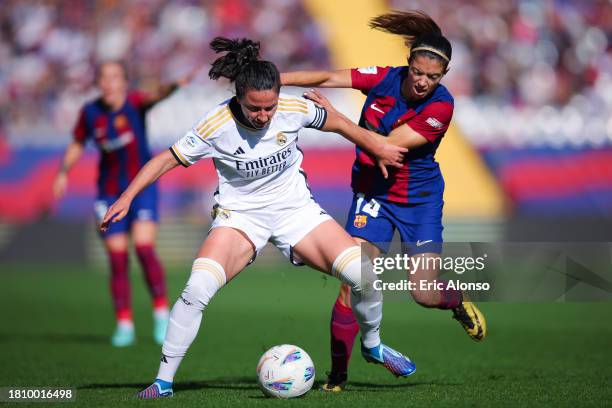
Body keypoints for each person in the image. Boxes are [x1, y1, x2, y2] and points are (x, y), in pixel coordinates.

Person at [100, 37, 414, 399]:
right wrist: (126, 197)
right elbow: (166, 159)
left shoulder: (293, 108)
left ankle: (373, 346)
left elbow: (337, 123)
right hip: (240, 218)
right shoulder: (215, 123)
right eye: (255, 109)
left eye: (270, 107)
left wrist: (375, 145)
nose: (264, 116)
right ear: (239, 97)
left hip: (296, 212)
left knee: (363, 273)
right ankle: (163, 382)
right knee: (196, 289)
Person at [281, 10, 487, 391]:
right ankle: (337, 376)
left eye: (433, 76)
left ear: (443, 76)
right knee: (352, 277)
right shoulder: (384, 77)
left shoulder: (441, 106)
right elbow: (329, 76)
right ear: (408, 64)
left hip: (418, 201)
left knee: (423, 293)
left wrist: (336, 118)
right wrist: (275, 81)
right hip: (374, 193)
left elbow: (387, 145)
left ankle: (456, 302)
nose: (423, 82)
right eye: (418, 72)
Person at [53, 61, 192, 347]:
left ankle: (160, 314)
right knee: (117, 259)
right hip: (108, 193)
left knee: (143, 247)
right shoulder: (90, 113)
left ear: (123, 82)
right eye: (104, 78)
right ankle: (124, 323)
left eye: (115, 77)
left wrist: (174, 86)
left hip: (141, 189)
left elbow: (157, 95)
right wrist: (64, 172)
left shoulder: (135, 103)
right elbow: (77, 142)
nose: (109, 83)